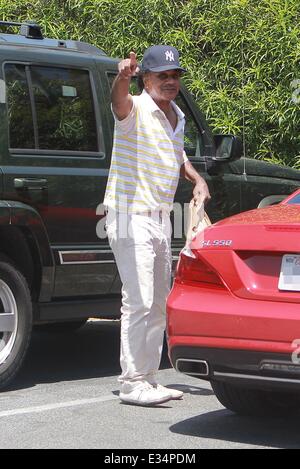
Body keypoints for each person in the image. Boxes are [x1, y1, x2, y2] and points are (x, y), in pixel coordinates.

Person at [104, 45, 211, 406]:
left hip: (162, 217)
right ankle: (132, 382)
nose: (170, 81)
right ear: (145, 78)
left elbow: (176, 154)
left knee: (160, 303)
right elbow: (118, 102)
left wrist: (197, 178)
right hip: (130, 214)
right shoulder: (135, 108)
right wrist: (122, 77)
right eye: (162, 75)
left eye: (175, 75)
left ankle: (149, 378)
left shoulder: (176, 116)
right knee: (139, 300)